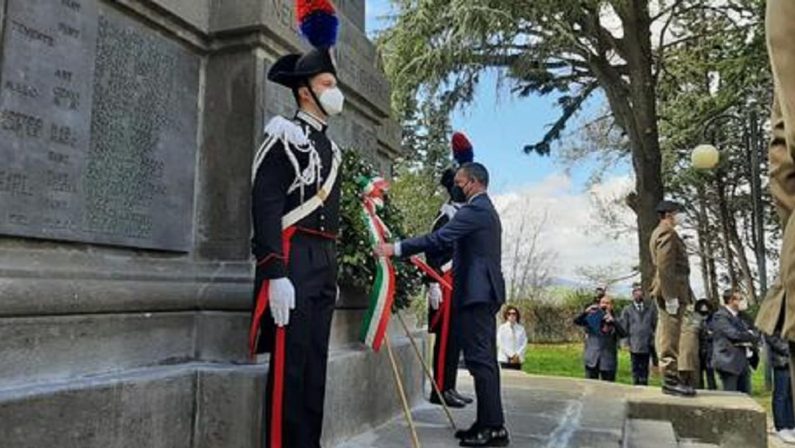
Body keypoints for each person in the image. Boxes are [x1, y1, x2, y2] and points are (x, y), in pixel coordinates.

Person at [249, 36, 345, 447]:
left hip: (323, 260)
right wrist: (275, 272)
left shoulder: (332, 148)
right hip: (293, 259)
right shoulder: (284, 135)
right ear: (305, 91)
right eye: (327, 83)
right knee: (290, 367)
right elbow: (266, 204)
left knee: (315, 365)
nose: (334, 91)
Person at [376, 162, 509, 447]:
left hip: (476, 294)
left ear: (473, 182)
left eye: (459, 182)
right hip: (483, 292)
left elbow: (439, 238)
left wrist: (395, 248)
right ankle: (490, 424)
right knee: (484, 362)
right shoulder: (485, 209)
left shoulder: (476, 210)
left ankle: (493, 429)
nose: (455, 188)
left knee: (480, 362)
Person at [425, 132, 476, 409]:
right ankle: (440, 389)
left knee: (455, 339)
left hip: (459, 283)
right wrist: (432, 282)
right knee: (445, 340)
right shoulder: (445, 216)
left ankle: (451, 386)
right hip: (444, 282)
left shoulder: (464, 215)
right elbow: (432, 249)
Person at [649, 200, 696, 397]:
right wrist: (670, 297)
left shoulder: (662, 232)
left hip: (674, 290)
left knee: (669, 333)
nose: (680, 216)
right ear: (669, 214)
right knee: (670, 335)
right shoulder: (667, 233)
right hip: (671, 291)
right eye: (678, 213)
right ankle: (670, 379)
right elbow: (665, 267)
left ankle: (671, 377)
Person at [711, 289, 759, 394]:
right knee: (731, 396)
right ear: (731, 301)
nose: (743, 301)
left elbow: (756, 332)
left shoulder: (743, 316)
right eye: (740, 299)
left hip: (744, 362)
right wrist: (749, 334)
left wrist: (749, 335)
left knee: (746, 395)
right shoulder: (720, 316)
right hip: (728, 362)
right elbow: (734, 334)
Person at [574, 296, 627, 382]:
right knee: (590, 387)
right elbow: (577, 321)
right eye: (602, 303)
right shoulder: (592, 317)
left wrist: (613, 321)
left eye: (607, 303)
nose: (604, 305)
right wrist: (586, 312)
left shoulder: (616, 319)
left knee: (608, 388)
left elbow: (623, 334)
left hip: (608, 360)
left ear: (612, 305)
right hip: (592, 359)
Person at [620, 283, 657, 385]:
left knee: (645, 367)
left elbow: (655, 325)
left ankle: (644, 384)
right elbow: (624, 327)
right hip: (634, 343)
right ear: (633, 295)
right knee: (635, 367)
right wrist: (625, 343)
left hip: (646, 343)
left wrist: (653, 340)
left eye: (640, 293)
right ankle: (635, 384)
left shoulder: (650, 309)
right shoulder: (627, 310)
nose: (639, 295)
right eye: (636, 293)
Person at [766, 331, 795, 443]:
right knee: (781, 395)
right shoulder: (776, 318)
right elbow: (772, 339)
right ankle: (781, 427)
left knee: (791, 394)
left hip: (791, 360)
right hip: (781, 361)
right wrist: (790, 350)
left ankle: (791, 425)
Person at [695, 299, 717, 390]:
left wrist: (709, 335)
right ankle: (699, 389)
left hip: (709, 349)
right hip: (698, 349)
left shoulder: (713, 319)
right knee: (698, 373)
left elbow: (716, 333)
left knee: (710, 373)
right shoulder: (694, 319)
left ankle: (713, 390)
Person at [497, 305, 528, 370]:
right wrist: (511, 355)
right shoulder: (502, 328)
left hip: (517, 360)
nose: (511, 315)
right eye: (509, 314)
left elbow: (524, 343)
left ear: (517, 316)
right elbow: (500, 343)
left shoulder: (521, 329)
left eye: (514, 314)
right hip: (505, 359)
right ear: (506, 315)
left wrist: (517, 355)